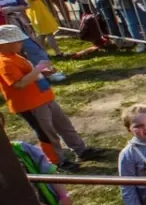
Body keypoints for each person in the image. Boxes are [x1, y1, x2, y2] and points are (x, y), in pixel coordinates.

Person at [0, 25, 93, 168]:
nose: (21, 43)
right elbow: (18, 84)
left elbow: (28, 75)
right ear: (5, 44)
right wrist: (38, 68)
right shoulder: (4, 62)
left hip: (44, 98)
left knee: (64, 125)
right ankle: (57, 161)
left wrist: (44, 72)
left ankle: (81, 150)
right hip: (30, 105)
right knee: (47, 134)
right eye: (17, 41)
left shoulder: (15, 56)